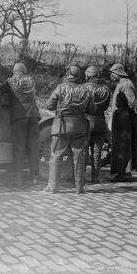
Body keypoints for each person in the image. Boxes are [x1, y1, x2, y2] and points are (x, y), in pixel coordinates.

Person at [43, 64, 95, 194]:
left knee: (56, 156)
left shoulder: (61, 88)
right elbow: (93, 110)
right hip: (79, 127)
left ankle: (52, 187)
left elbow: (49, 105)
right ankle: (79, 188)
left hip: (61, 127)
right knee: (79, 158)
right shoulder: (86, 90)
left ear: (68, 75)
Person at [0, 62, 40, 187]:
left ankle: (18, 179)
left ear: (14, 71)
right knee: (33, 147)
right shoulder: (31, 80)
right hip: (33, 115)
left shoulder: (10, 80)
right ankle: (35, 177)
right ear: (24, 70)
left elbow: (0, 90)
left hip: (19, 116)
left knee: (19, 148)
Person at [109, 63, 137, 182]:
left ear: (118, 72)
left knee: (124, 146)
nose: (111, 76)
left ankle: (126, 173)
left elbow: (132, 103)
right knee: (119, 146)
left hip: (124, 120)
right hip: (119, 120)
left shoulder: (127, 84)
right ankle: (121, 171)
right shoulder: (121, 84)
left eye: (112, 73)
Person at [83, 65, 111, 183]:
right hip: (100, 121)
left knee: (83, 151)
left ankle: (81, 177)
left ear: (89, 75)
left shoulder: (83, 88)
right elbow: (105, 106)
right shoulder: (106, 89)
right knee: (97, 152)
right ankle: (95, 178)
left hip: (86, 123)